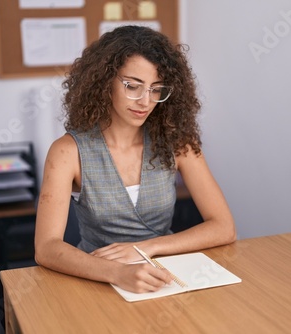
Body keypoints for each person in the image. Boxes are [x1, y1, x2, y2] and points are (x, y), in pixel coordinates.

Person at [34, 25, 236, 294]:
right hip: (97, 277)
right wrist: (118, 272)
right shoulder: (67, 152)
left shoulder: (176, 142)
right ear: (105, 81)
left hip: (166, 276)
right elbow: (46, 248)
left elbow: (224, 228)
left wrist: (146, 248)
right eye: (132, 86)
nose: (145, 101)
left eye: (156, 89)